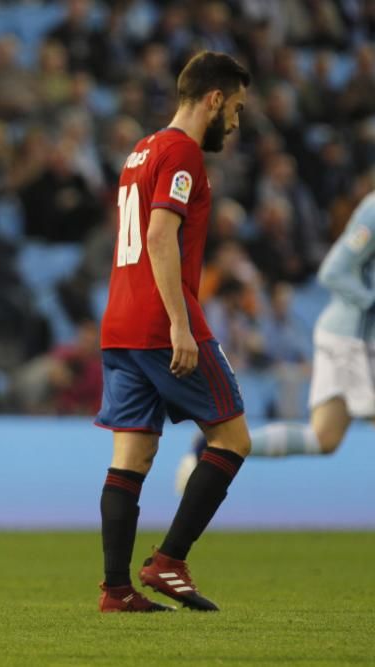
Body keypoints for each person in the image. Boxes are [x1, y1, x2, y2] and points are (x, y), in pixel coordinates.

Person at [94, 51, 250, 613]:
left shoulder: (142, 150)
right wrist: (182, 326)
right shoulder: (183, 152)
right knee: (233, 440)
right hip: (163, 321)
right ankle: (169, 562)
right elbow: (160, 238)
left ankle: (115, 591)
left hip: (120, 323)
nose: (235, 121)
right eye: (234, 108)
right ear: (213, 98)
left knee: (131, 456)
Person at [179, 188, 375, 468]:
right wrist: (370, 301)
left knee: (323, 438)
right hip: (353, 338)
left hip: (355, 338)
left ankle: (217, 446)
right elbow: (334, 270)